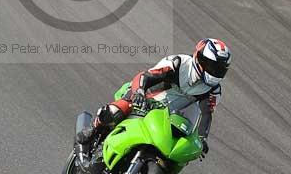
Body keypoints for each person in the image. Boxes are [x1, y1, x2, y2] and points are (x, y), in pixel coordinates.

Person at [82, 38, 232, 156]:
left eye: (219, 69)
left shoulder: (214, 90)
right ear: (200, 59)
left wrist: (202, 138)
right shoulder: (178, 63)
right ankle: (92, 129)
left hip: (168, 116)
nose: (215, 72)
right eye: (213, 67)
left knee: (181, 149)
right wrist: (139, 92)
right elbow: (146, 76)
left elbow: (206, 113)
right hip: (145, 98)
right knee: (118, 110)